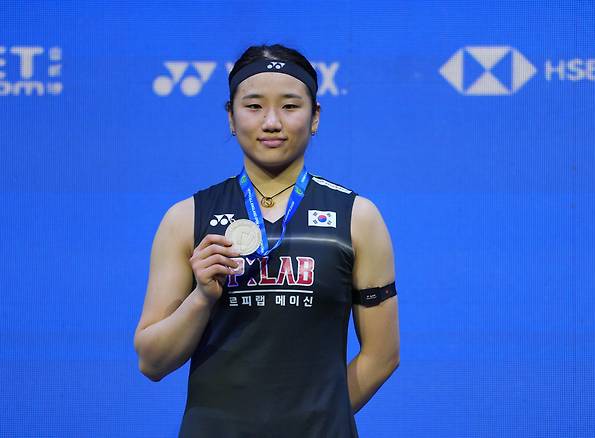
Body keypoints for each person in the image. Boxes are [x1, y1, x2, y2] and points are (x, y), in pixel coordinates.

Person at [133, 43, 400, 437]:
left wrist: (316, 422)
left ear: (315, 117)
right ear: (231, 117)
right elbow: (152, 362)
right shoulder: (186, 219)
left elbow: (383, 355)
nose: (272, 122)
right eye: (254, 106)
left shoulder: (357, 218)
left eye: (290, 106)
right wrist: (201, 297)